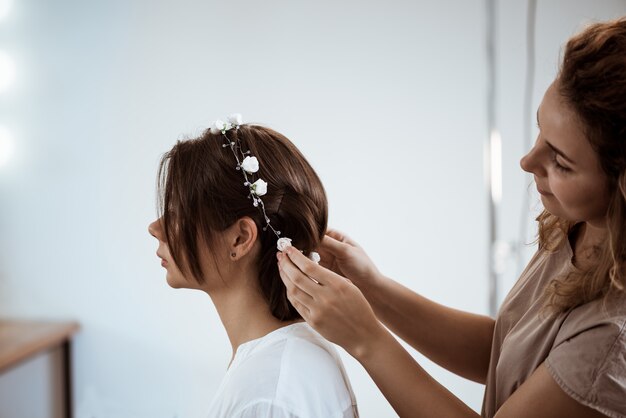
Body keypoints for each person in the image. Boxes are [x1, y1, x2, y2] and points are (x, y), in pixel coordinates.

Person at [277, 18, 626, 418]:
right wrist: (373, 288)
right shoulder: (583, 223)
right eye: (539, 132)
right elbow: (508, 352)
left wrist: (366, 340)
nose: (527, 162)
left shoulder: (611, 344)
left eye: (560, 162)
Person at [148, 116, 359, 418]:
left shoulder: (267, 394)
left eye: (176, 211)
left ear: (240, 238)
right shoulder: (293, 355)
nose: (155, 227)